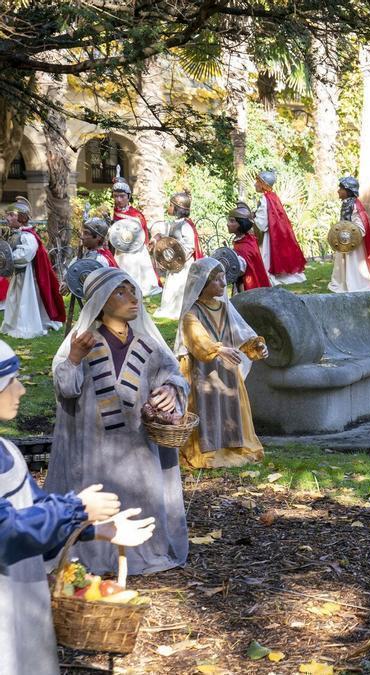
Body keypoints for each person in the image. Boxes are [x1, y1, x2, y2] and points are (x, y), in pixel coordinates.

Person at [0, 337, 156, 675]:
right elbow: (6, 534)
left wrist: (97, 530)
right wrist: (76, 509)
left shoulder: (7, 452)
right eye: (11, 382)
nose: (22, 391)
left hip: (21, 598)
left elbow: (34, 511)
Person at [44, 267, 189, 576]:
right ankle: (91, 547)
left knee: (140, 495)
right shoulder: (82, 341)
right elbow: (66, 388)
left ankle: (143, 547)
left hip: (138, 445)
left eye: (132, 290)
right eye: (121, 293)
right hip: (92, 446)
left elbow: (173, 376)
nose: (133, 298)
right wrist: (73, 359)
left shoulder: (150, 346)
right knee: (99, 496)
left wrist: (170, 390)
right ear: (100, 301)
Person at [176, 257, 267, 469]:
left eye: (222, 278)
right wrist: (218, 350)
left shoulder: (225, 308)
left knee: (229, 407)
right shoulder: (192, 313)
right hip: (203, 373)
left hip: (227, 371)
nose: (222, 283)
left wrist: (255, 346)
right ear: (202, 284)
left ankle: (233, 446)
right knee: (208, 408)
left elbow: (240, 334)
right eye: (216, 280)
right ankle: (209, 450)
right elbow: (197, 339)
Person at [2, 197, 65, 339]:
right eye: (8, 214)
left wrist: (7, 259)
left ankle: (29, 324)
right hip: (20, 274)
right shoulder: (17, 233)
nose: (7, 218)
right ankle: (13, 324)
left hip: (30, 275)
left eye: (11, 215)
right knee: (15, 298)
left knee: (27, 299)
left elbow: (25, 255)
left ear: (22, 217)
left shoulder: (28, 237)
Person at [152, 192, 203, 319]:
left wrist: (178, 258)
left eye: (170, 205)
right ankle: (170, 307)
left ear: (178, 207)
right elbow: (170, 241)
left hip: (183, 265)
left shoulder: (185, 225)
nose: (168, 207)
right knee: (172, 287)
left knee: (180, 286)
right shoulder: (176, 222)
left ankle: (180, 308)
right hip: (174, 262)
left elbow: (189, 245)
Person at [252, 170, 307, 285]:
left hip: (268, 235)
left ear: (263, 184)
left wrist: (252, 218)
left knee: (266, 256)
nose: (255, 184)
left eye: (257, 181)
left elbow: (261, 223)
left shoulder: (264, 199)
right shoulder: (273, 196)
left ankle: (268, 274)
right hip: (276, 231)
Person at [330, 177, 370, 293]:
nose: (338, 191)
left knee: (354, 266)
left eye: (341, 188)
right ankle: (343, 282)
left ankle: (356, 283)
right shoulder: (347, 203)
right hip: (345, 242)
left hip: (354, 245)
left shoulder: (355, 206)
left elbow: (361, 228)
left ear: (348, 190)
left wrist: (348, 237)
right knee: (343, 265)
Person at [110, 178, 160, 296]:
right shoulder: (115, 212)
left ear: (128, 196)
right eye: (116, 196)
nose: (118, 199)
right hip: (121, 249)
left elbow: (142, 234)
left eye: (122, 196)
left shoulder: (136, 215)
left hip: (136, 250)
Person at [228, 203, 271, 292]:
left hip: (248, 289)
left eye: (232, 221)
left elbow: (240, 272)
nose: (228, 224)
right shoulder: (249, 239)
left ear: (241, 224)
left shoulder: (244, 247)